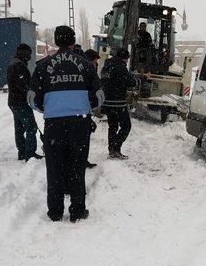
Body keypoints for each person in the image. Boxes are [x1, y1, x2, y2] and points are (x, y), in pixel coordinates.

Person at [30, 25, 102, 223]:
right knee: (77, 167)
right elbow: (98, 96)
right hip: (79, 123)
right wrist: (85, 107)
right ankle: (77, 211)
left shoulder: (43, 65)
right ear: (72, 41)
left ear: (56, 40)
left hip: (54, 124)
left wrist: (48, 109)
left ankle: (55, 211)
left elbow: (32, 97)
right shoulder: (86, 64)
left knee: (54, 168)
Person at [7, 43, 43, 162]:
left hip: (14, 101)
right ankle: (30, 154)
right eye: (29, 54)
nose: (30, 57)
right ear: (24, 53)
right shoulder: (19, 65)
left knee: (19, 128)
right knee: (31, 127)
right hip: (19, 102)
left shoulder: (14, 63)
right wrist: (33, 94)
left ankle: (22, 152)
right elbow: (24, 85)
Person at [100, 48, 137, 159]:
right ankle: (116, 148)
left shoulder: (106, 67)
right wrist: (135, 78)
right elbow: (131, 82)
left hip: (107, 102)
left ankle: (111, 150)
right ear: (124, 58)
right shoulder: (120, 67)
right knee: (126, 126)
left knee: (113, 126)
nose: (127, 61)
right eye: (127, 59)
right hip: (118, 102)